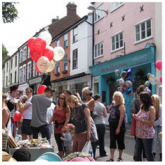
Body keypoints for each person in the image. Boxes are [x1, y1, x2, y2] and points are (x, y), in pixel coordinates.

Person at [132, 92, 155, 161]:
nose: (139, 99)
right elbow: (139, 116)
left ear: (144, 99)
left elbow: (152, 123)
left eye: (140, 98)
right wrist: (135, 116)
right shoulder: (141, 106)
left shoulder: (151, 108)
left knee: (148, 155)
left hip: (147, 135)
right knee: (137, 154)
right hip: (139, 134)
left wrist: (140, 120)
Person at [49, 93, 70, 158]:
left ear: (64, 99)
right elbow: (53, 116)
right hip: (56, 127)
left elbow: (67, 119)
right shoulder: (56, 106)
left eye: (62, 98)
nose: (60, 100)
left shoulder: (66, 108)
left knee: (63, 144)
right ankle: (61, 158)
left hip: (63, 128)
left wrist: (64, 127)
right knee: (58, 143)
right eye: (59, 98)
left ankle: (63, 158)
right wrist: (49, 122)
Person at [107, 91, 126, 161]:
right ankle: (111, 157)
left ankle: (120, 157)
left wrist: (118, 127)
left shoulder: (121, 106)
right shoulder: (113, 105)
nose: (115, 98)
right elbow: (111, 114)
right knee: (112, 141)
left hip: (119, 125)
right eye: (115, 96)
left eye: (117, 96)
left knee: (120, 141)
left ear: (120, 98)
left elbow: (121, 117)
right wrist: (109, 108)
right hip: (112, 125)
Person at [130, 85, 146, 161]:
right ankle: (144, 158)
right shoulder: (148, 101)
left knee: (138, 142)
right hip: (147, 124)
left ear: (137, 93)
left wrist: (136, 117)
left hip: (137, 124)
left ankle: (137, 156)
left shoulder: (134, 100)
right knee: (146, 142)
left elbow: (132, 113)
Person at [92, 94, 107, 159]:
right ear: (99, 98)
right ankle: (102, 153)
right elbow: (105, 115)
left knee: (94, 140)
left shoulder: (92, 105)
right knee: (101, 139)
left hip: (94, 124)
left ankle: (93, 154)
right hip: (101, 123)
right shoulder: (102, 105)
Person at [151, 94, 162, 161]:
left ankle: (162, 154)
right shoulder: (151, 107)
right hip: (154, 126)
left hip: (160, 126)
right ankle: (153, 153)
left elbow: (161, 119)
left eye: (153, 100)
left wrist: (152, 124)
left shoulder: (161, 107)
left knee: (161, 141)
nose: (152, 102)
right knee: (154, 140)